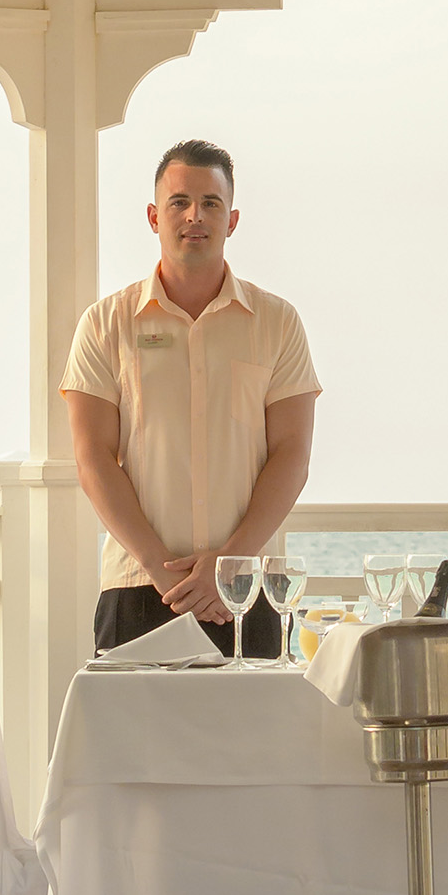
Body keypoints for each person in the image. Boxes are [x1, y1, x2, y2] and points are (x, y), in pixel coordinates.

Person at [64, 138, 319, 657]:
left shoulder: (278, 323)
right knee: (134, 741)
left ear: (233, 219)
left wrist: (229, 567)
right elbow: (93, 459)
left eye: (211, 203)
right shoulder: (105, 323)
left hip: (248, 593)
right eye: (179, 202)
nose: (194, 216)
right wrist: (165, 573)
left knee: (254, 740)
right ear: (155, 217)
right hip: (138, 584)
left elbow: (291, 454)